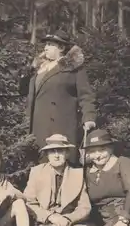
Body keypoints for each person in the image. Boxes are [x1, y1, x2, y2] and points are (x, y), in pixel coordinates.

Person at [22, 30, 98, 166]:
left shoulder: (73, 68)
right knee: (39, 166)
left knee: (62, 164)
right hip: (37, 127)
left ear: (61, 48)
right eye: (45, 45)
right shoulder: (38, 69)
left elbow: (86, 95)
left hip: (61, 126)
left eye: (50, 45)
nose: (45, 48)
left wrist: (89, 117)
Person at [23, 134, 101, 226]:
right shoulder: (37, 172)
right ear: (47, 154)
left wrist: (68, 219)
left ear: (67, 153)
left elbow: (85, 207)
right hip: (46, 223)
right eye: (52, 151)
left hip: (72, 224)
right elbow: (29, 203)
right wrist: (50, 217)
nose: (56, 155)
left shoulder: (77, 174)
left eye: (60, 151)